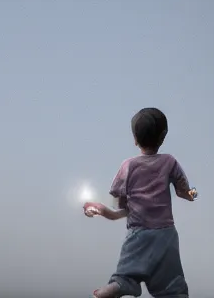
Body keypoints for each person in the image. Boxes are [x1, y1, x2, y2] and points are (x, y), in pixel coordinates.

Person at [82, 107, 196, 298]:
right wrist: (192, 194)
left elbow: (120, 209)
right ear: (163, 137)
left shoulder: (128, 167)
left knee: (125, 277)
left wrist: (100, 209)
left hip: (138, 234)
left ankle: (118, 286)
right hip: (165, 235)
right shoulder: (169, 162)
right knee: (173, 289)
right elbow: (184, 192)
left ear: (135, 139)